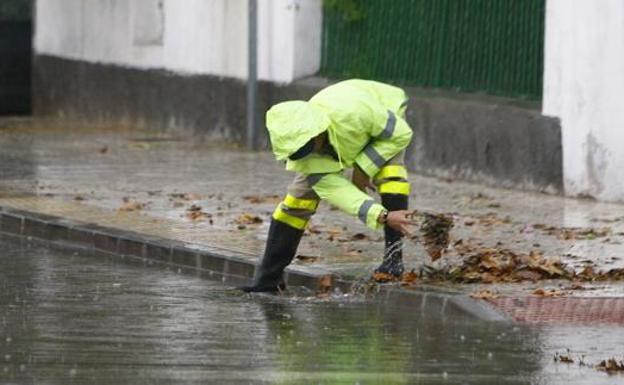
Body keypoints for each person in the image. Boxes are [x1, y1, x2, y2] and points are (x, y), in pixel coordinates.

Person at [241, 79, 413, 293]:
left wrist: (363, 168)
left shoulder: (354, 113)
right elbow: (338, 192)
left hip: (385, 121)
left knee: (391, 176)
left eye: (306, 148)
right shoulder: (303, 153)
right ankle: (268, 279)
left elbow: (400, 133)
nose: (306, 156)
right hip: (345, 137)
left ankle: (393, 261)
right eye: (298, 153)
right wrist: (383, 216)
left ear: (318, 132)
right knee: (296, 203)